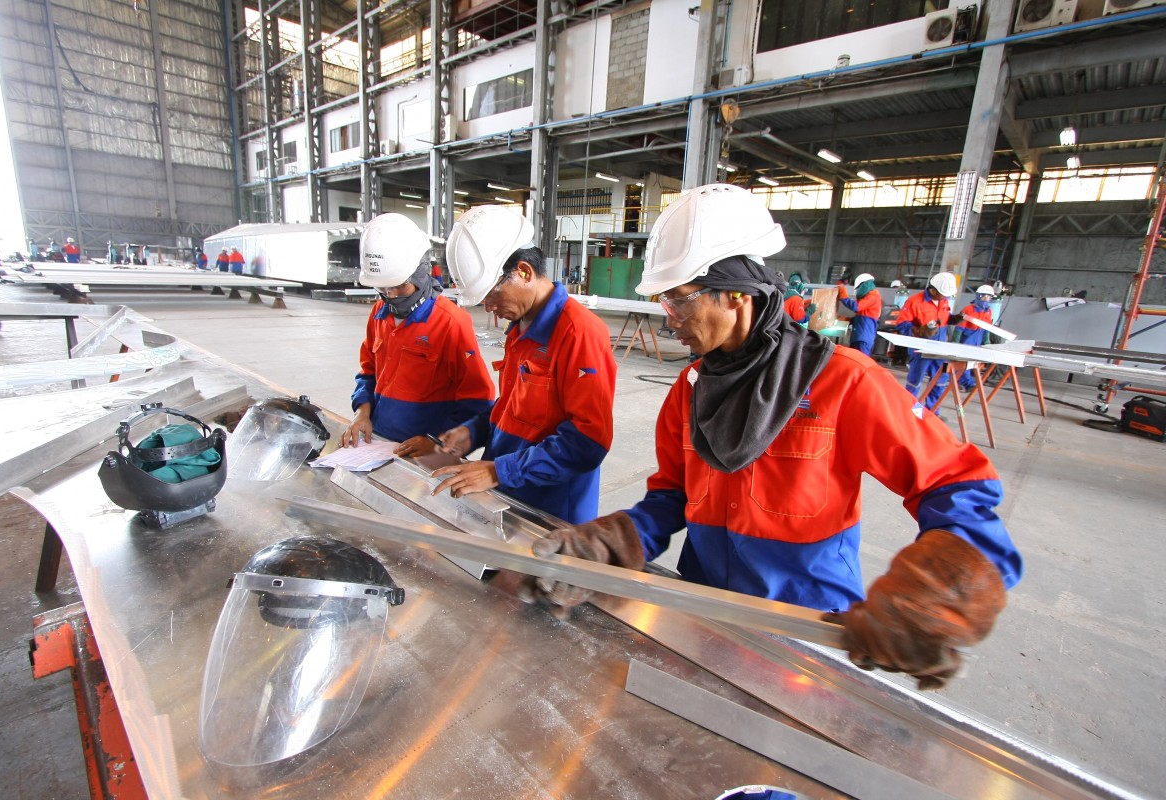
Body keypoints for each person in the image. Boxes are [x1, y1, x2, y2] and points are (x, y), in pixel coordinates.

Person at [512, 184, 1021, 690]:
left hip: (809, 634)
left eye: (679, 303)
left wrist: (937, 590)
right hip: (704, 613)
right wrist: (610, 542)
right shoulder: (690, 394)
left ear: (736, 293)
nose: (672, 323)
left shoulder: (842, 382)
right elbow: (671, 498)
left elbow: (956, 484)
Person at [417, 205, 618, 524]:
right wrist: (473, 432)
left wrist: (500, 470)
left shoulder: (579, 333)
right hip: (506, 496)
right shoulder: (520, 328)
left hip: (549, 514)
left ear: (524, 272)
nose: (491, 310)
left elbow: (587, 442)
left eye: (492, 296)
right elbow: (512, 407)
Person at [339, 214, 497, 450]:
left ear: (421, 272)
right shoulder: (379, 313)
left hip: (421, 454)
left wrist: (436, 443)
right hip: (378, 443)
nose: (390, 295)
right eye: (383, 287)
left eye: (399, 285)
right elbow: (368, 372)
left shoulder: (451, 322)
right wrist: (361, 413)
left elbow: (477, 401)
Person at [896, 271, 960, 410]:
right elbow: (901, 324)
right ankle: (909, 411)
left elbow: (943, 318)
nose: (946, 297)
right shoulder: (914, 301)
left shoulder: (944, 301)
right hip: (921, 350)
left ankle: (932, 412)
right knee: (915, 381)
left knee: (940, 381)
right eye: (944, 294)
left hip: (939, 349)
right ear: (934, 290)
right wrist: (919, 331)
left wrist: (953, 319)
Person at [955, 285, 995, 390]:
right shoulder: (968, 310)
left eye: (988, 297)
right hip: (967, 340)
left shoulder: (988, 311)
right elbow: (959, 327)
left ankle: (963, 381)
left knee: (973, 363)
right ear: (978, 296)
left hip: (978, 339)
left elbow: (987, 327)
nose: (986, 299)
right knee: (964, 363)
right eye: (983, 296)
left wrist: (986, 340)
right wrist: (955, 341)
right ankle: (967, 383)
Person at [837, 272, 882, 356]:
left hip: (863, 338)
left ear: (864, 285)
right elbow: (863, 315)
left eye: (858, 288)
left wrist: (844, 296)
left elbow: (856, 307)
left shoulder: (873, 296)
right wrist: (850, 320)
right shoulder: (869, 297)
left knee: (861, 360)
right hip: (859, 336)